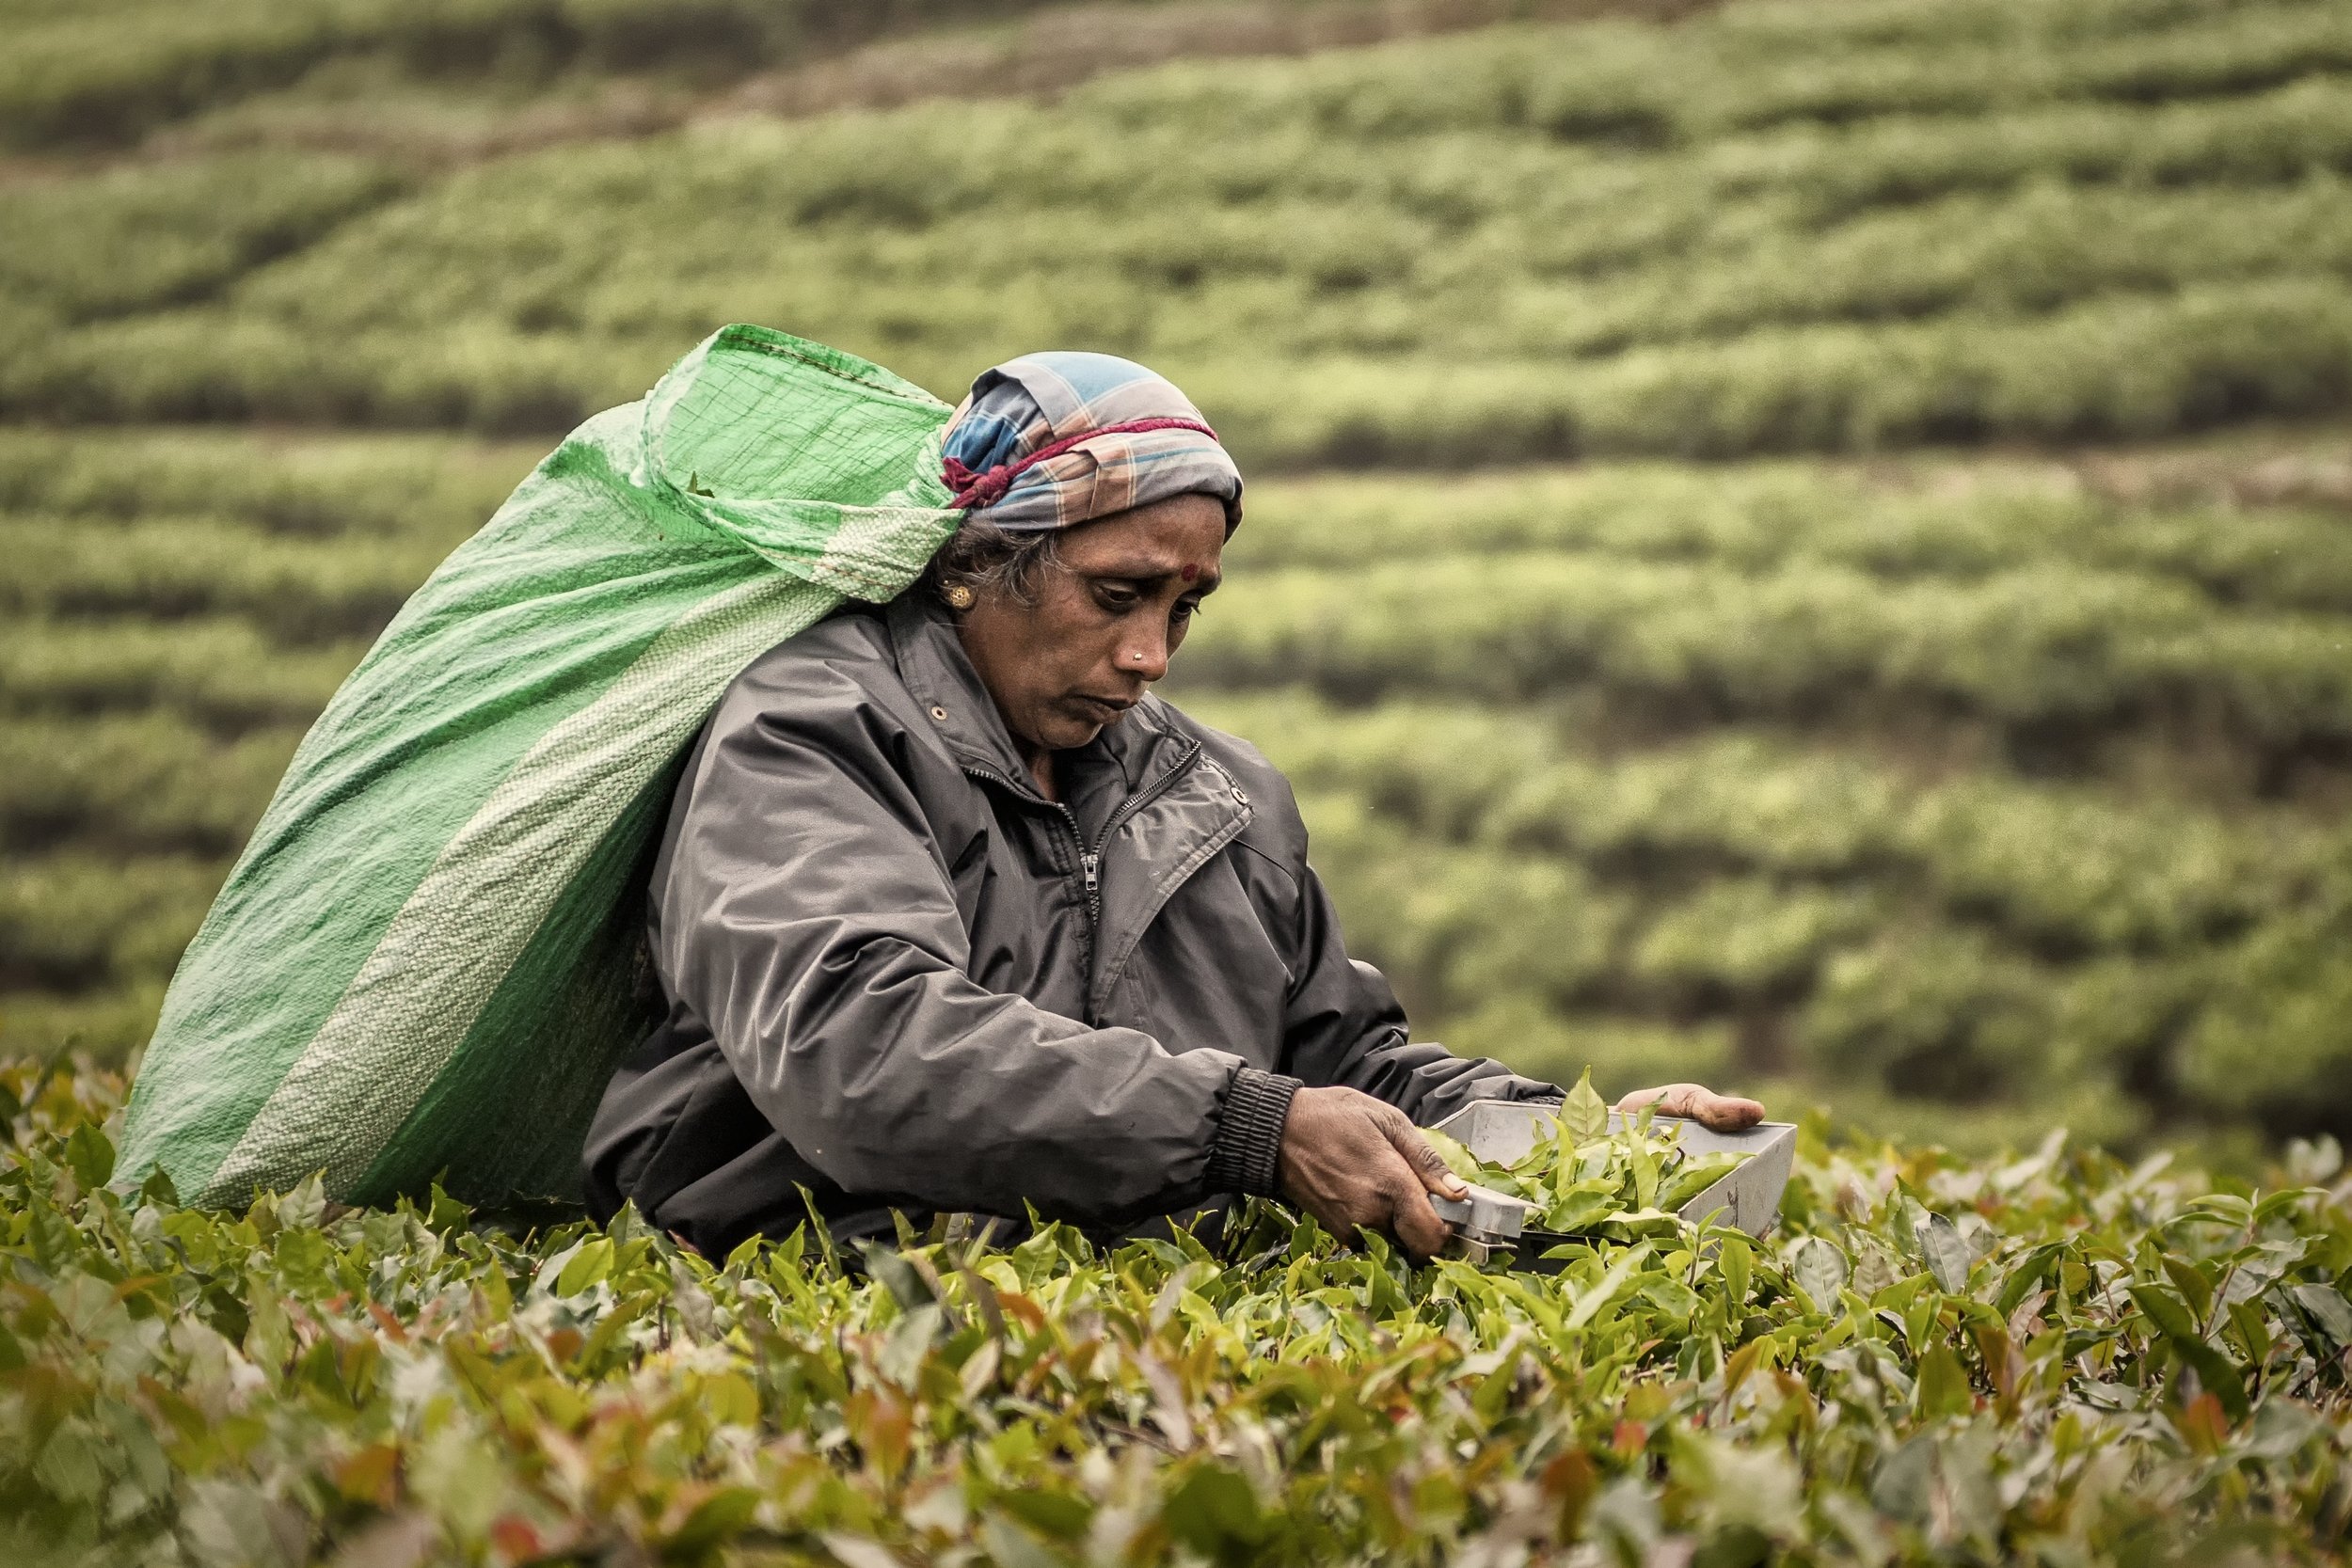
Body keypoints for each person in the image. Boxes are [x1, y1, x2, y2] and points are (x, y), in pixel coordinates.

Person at [582, 353, 1763, 1261]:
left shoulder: (1221, 795)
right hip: (806, 1288)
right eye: (1116, 594)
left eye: (1184, 603)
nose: (1151, 653)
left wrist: (1580, 1139)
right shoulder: (814, 729)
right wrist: (1245, 1125)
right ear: (972, 566)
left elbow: (1341, 1059)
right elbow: (860, 1048)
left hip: (1123, 1301)